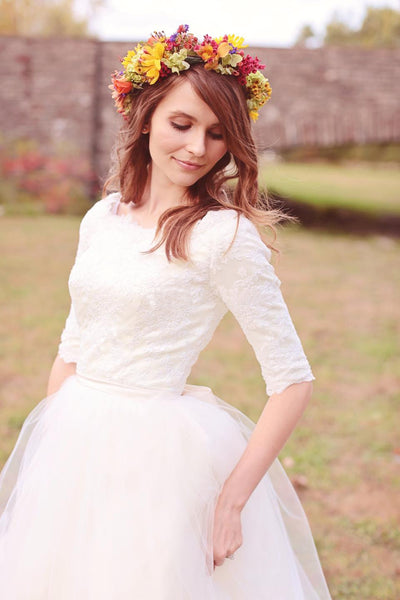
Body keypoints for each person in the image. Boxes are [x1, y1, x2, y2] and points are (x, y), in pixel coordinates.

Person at [0, 24, 332, 599]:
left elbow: (292, 380)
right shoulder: (102, 219)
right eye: (182, 124)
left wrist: (231, 501)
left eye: (218, 134)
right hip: (75, 439)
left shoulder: (223, 237)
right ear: (146, 117)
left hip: (157, 460)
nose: (198, 148)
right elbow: (73, 347)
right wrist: (50, 456)